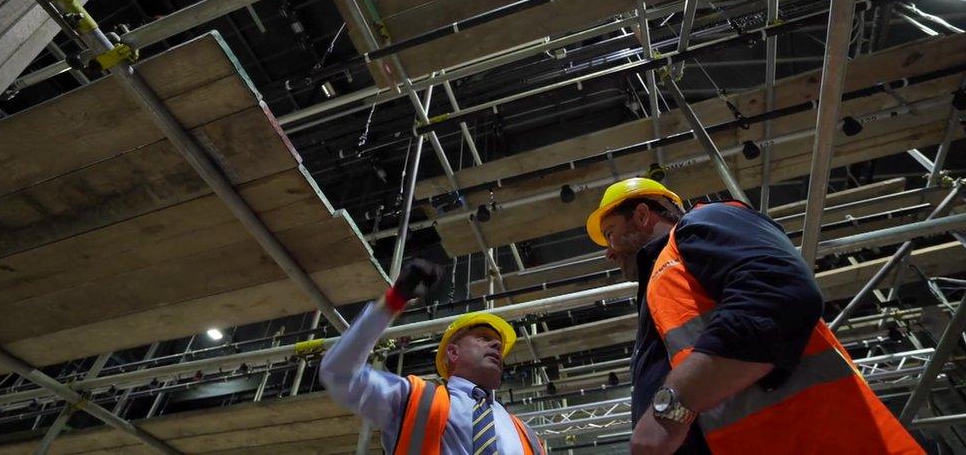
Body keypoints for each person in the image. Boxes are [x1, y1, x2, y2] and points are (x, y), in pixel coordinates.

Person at [586, 177, 923, 455]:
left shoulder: (704, 222)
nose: (609, 252)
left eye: (612, 232)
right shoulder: (665, 278)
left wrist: (669, 409)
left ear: (643, 215)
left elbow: (779, 295)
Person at [320, 259, 544, 454]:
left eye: (498, 343)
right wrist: (393, 300)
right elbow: (338, 373)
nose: (496, 344)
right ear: (453, 352)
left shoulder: (526, 435)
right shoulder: (415, 399)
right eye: (483, 337)